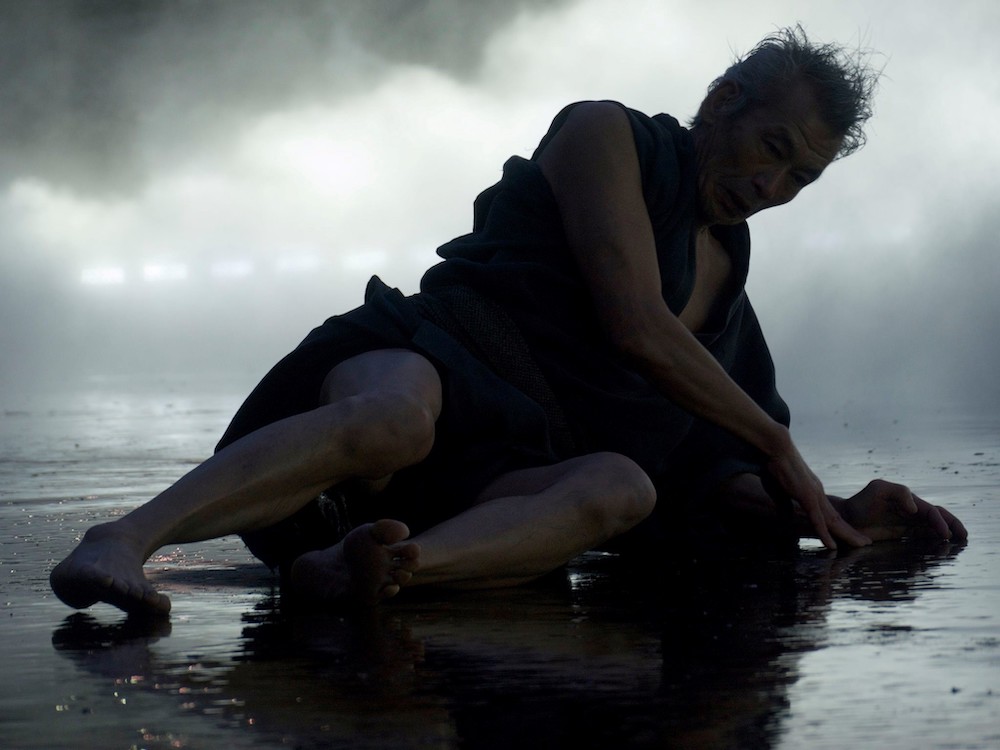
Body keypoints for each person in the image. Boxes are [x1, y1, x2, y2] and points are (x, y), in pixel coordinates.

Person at [50, 27, 967, 617]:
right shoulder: (605, 135)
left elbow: (705, 468)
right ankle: (123, 540)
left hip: (498, 474)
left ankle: (375, 569)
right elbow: (635, 325)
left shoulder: (727, 281)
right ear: (726, 99)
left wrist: (835, 514)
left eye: (800, 177)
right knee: (396, 421)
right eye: (772, 148)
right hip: (434, 362)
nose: (771, 186)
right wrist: (776, 440)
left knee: (624, 486)